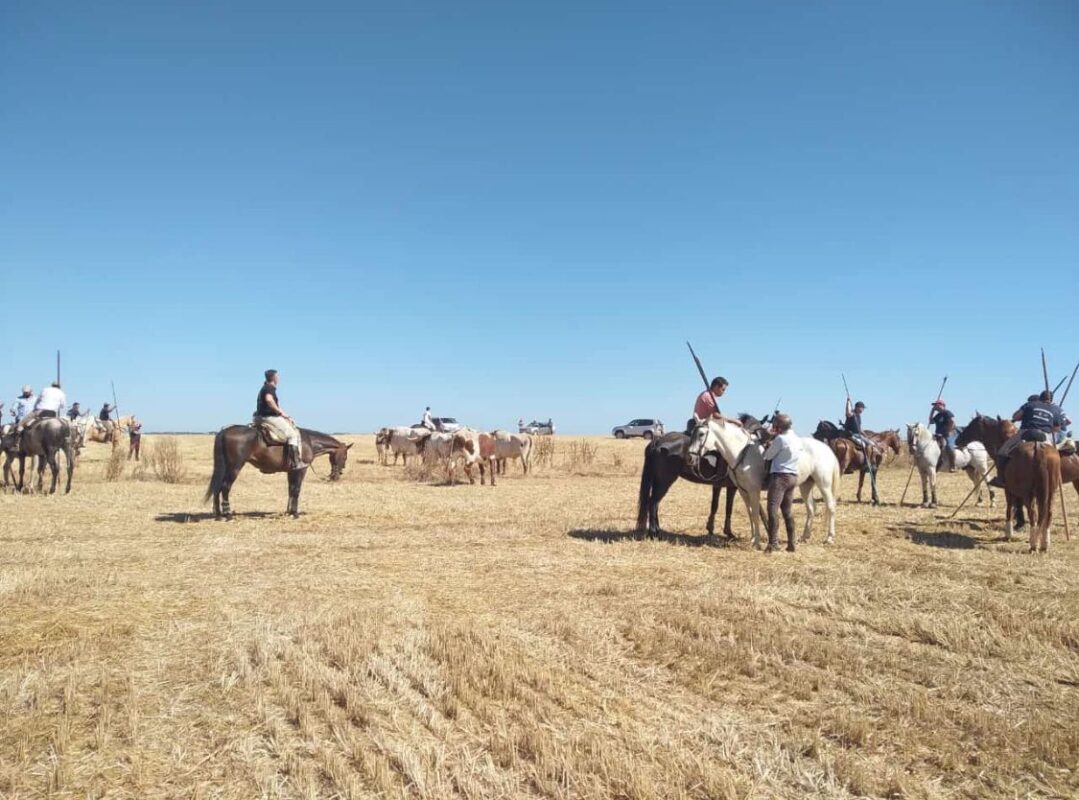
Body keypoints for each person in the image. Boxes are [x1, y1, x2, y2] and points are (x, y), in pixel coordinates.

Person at [989, 389, 1064, 488]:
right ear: (1051, 399)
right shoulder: (1055, 409)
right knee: (1055, 456)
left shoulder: (1030, 404)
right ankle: (1056, 481)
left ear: (1040, 397)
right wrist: (1048, 428)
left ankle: (1001, 479)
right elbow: (1057, 428)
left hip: (1025, 432)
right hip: (1045, 435)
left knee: (1002, 452)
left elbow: (1016, 416)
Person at [762, 413, 803, 553]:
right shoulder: (797, 438)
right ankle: (792, 543)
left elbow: (768, 456)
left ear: (779, 426)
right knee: (787, 511)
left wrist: (768, 445)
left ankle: (773, 543)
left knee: (772, 509)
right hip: (793, 477)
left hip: (780, 477)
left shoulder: (780, 439)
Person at [254, 369, 307, 470]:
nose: (279, 378)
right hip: (268, 418)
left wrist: (285, 415)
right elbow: (269, 400)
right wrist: (279, 413)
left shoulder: (265, 387)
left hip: (259, 417)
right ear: (274, 378)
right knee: (293, 435)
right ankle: (295, 463)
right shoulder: (269, 388)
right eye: (277, 376)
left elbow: (276, 405)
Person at [929, 400, 956, 471]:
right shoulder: (938, 415)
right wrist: (932, 411)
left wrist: (949, 431)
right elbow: (931, 421)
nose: (935, 406)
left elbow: (952, 421)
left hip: (948, 434)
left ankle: (952, 465)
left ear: (942, 405)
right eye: (934, 405)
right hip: (938, 435)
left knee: (949, 446)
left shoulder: (947, 412)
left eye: (936, 405)